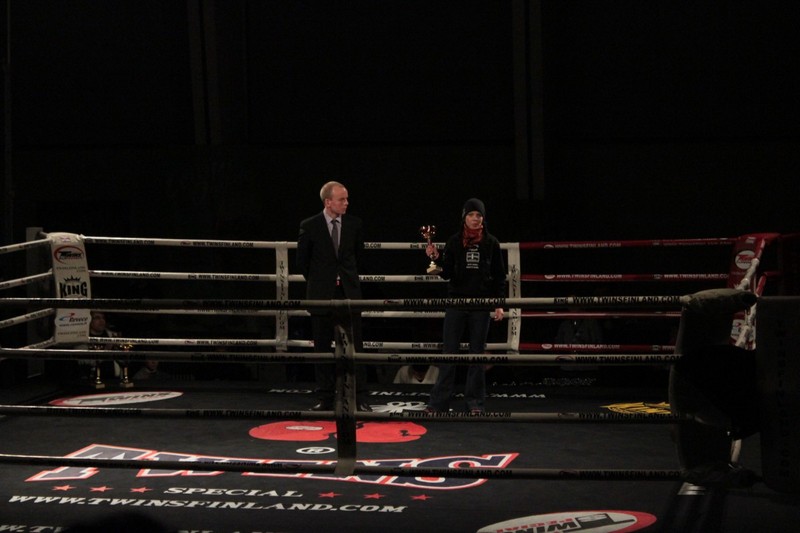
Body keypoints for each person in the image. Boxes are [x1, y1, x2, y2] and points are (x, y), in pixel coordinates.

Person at [424, 198, 506, 414]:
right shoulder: (454, 241)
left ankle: (475, 403)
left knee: (476, 354)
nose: (475, 218)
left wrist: (499, 304)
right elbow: (447, 274)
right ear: (464, 217)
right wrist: (435, 259)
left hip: (481, 304)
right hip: (456, 302)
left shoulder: (491, 243)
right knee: (449, 352)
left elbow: (499, 276)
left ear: (483, 218)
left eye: (479, 215)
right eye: (471, 214)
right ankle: (438, 403)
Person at [296, 181, 372, 411]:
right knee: (322, 347)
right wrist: (322, 282)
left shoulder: (354, 224)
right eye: (342, 199)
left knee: (356, 347)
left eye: (347, 198)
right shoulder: (309, 226)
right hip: (321, 294)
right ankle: (326, 397)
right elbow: (302, 263)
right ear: (328, 202)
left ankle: (360, 397)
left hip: (349, 293)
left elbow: (359, 257)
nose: (346, 203)